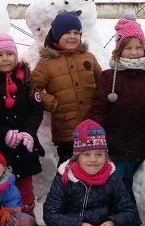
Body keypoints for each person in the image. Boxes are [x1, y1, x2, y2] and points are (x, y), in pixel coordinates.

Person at [36, 119, 141, 226]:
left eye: (99, 154)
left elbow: (130, 211)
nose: (93, 160)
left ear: (105, 155)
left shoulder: (112, 177)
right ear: (77, 156)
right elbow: (51, 214)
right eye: (87, 154)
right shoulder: (65, 178)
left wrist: (114, 223)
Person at [89, 14, 145, 201]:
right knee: (115, 187)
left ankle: (136, 215)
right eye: (128, 48)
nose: (134, 52)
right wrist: (97, 136)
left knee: (140, 188)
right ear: (118, 50)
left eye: (138, 47)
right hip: (115, 146)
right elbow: (98, 109)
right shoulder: (108, 77)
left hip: (144, 145)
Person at [0, 28, 46, 226]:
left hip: (24, 145)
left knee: (25, 186)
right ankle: (2, 222)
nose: (5, 58)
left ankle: (28, 221)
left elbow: (36, 107)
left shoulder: (25, 78)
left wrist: (28, 132)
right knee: (1, 185)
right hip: (0, 146)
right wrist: (4, 134)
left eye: (9, 53)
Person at [31, 11, 103, 162]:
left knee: (93, 164)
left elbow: (103, 83)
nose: (72, 36)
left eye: (76, 32)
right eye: (67, 32)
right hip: (66, 131)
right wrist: (48, 101)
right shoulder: (46, 64)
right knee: (68, 166)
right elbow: (31, 88)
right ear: (56, 35)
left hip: (93, 126)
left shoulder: (89, 58)